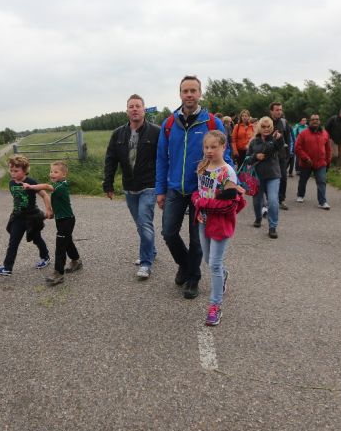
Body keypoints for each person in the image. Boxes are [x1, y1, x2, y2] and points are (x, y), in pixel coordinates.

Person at [156, 75, 231, 299]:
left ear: (200, 93)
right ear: (180, 94)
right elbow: (162, 159)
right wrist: (160, 189)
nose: (189, 94)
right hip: (175, 188)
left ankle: (193, 278)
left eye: (193, 90)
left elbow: (225, 155)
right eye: (185, 91)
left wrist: (228, 184)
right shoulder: (169, 124)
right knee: (168, 232)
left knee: (197, 239)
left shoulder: (212, 123)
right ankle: (186, 265)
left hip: (203, 191)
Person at [191, 130, 246, 326]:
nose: (209, 151)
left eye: (214, 147)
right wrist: (197, 202)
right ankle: (223, 275)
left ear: (224, 147)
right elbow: (198, 192)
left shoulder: (227, 172)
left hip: (221, 223)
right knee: (208, 260)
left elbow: (230, 205)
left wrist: (202, 203)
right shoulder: (202, 166)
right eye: (206, 147)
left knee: (214, 264)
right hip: (203, 221)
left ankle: (215, 306)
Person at [103, 94, 160, 279]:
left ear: (144, 109)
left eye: (138, 106)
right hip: (129, 186)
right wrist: (108, 183)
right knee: (140, 224)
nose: (134, 109)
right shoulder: (118, 134)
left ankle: (146, 263)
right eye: (131, 106)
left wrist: (164, 186)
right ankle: (151, 250)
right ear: (127, 110)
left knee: (144, 222)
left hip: (149, 185)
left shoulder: (156, 132)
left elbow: (164, 159)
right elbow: (111, 160)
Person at [0, 155, 53, 276]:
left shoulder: (31, 182)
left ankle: (45, 257)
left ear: (24, 170)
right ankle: (7, 268)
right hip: (18, 217)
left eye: (16, 171)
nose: (13, 173)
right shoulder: (11, 183)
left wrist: (48, 210)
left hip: (32, 217)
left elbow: (45, 195)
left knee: (37, 239)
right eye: (11, 170)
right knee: (13, 242)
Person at [23, 161, 82, 285]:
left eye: (56, 172)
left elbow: (46, 186)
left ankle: (58, 273)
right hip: (62, 219)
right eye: (51, 171)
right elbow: (58, 203)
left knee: (60, 246)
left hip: (66, 221)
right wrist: (50, 211)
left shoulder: (61, 186)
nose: (52, 174)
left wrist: (31, 187)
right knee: (67, 241)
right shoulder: (59, 185)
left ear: (64, 174)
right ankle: (76, 261)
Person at [247, 117, 284, 238]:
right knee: (257, 201)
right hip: (257, 176)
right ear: (259, 127)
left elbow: (280, 146)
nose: (266, 129)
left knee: (273, 201)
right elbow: (247, 159)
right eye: (263, 127)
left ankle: (272, 227)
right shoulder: (254, 142)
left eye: (268, 127)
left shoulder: (275, 139)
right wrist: (256, 156)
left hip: (273, 175)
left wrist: (279, 138)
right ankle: (258, 217)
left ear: (272, 127)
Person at [294, 114, 332, 209]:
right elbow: (297, 148)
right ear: (310, 121)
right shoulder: (303, 133)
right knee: (303, 180)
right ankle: (300, 195)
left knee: (321, 181)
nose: (315, 121)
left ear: (320, 121)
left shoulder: (325, 133)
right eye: (313, 119)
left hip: (321, 163)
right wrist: (306, 158)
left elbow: (328, 149)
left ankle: (322, 202)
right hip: (306, 163)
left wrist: (328, 161)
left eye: (317, 119)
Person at [269, 102, 293, 210]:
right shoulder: (266, 122)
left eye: (280, 109)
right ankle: (269, 199)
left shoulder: (284, 122)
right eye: (277, 110)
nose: (279, 112)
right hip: (269, 155)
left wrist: (288, 153)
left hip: (282, 155)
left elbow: (288, 139)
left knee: (283, 177)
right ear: (271, 111)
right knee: (270, 178)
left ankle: (281, 199)